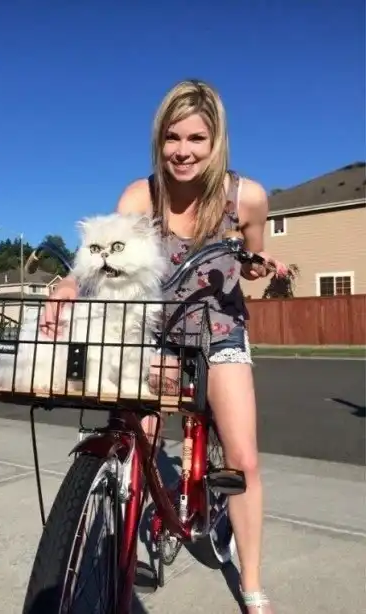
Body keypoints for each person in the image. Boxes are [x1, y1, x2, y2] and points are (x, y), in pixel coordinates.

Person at [42, 79, 287, 614]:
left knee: (241, 458)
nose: (183, 151)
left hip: (218, 329)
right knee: (137, 437)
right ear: (160, 139)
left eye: (197, 139)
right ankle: (120, 526)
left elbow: (252, 261)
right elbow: (104, 257)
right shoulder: (140, 196)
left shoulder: (247, 197)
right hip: (153, 327)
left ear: (216, 141)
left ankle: (251, 582)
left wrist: (258, 266)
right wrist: (69, 284)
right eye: (173, 137)